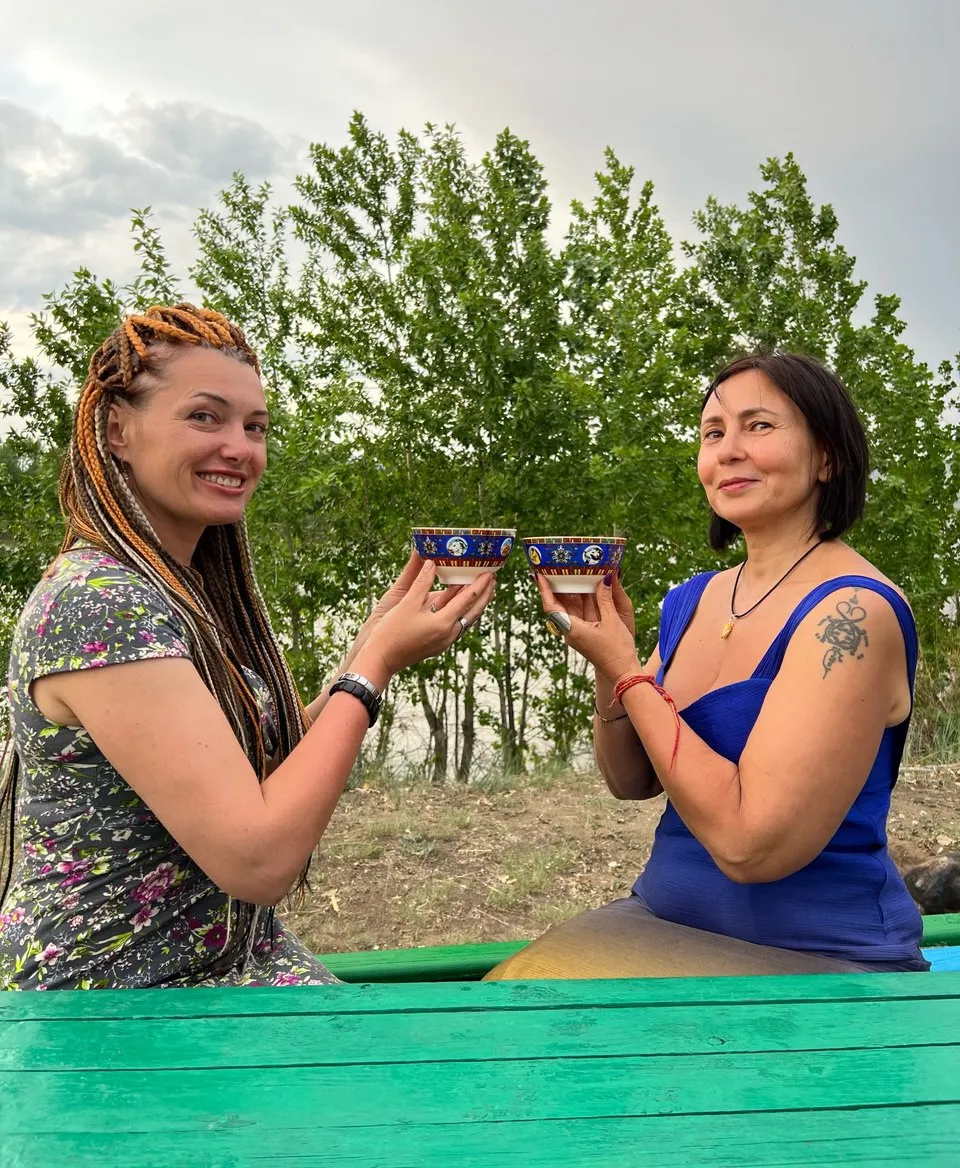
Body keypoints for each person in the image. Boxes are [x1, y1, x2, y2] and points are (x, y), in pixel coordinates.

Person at [0, 303, 494, 990]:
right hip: (115, 999)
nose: (239, 448)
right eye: (205, 417)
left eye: (254, 426)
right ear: (117, 430)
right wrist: (374, 668)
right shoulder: (100, 605)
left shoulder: (177, 591)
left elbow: (258, 777)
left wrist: (365, 646)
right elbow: (258, 861)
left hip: (227, 965)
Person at [486, 351, 929, 980]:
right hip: (660, 918)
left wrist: (628, 670)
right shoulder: (693, 600)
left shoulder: (852, 614)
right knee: (504, 1002)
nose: (729, 451)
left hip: (815, 958)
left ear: (827, 457)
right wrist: (608, 661)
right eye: (713, 433)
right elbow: (629, 780)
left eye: (759, 426)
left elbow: (751, 848)